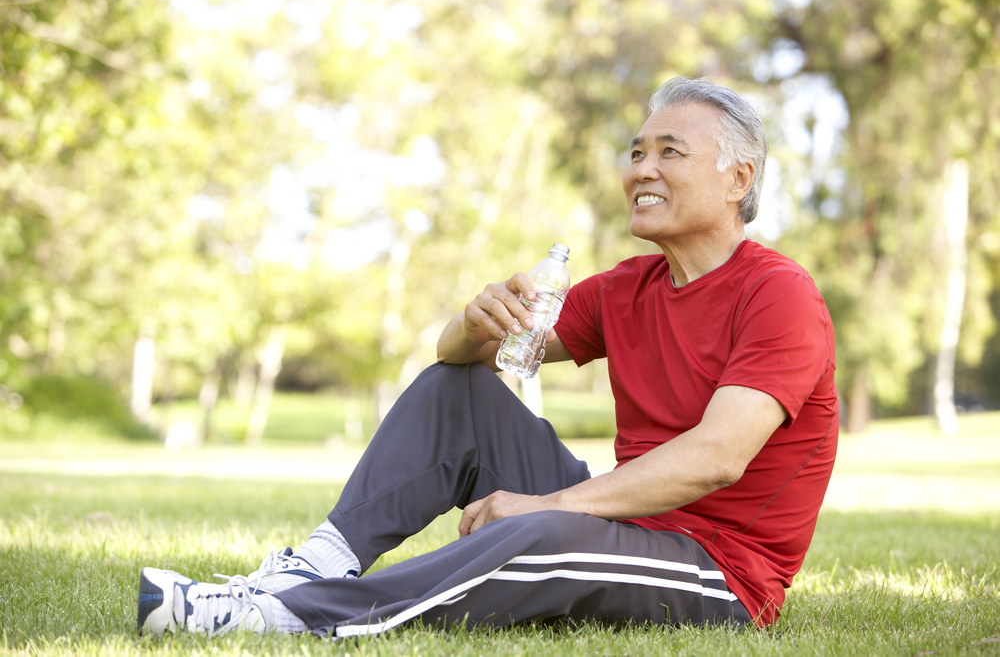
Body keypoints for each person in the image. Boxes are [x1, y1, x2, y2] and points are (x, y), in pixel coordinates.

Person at [137, 77, 838, 638]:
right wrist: (474, 323)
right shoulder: (627, 287)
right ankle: (311, 568)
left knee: (539, 529)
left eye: (669, 152)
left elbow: (717, 456)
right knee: (458, 390)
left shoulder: (779, 295)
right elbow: (457, 361)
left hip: (720, 569)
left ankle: (293, 615)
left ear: (738, 179)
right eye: (636, 151)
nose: (641, 169)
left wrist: (548, 504)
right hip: (630, 527)